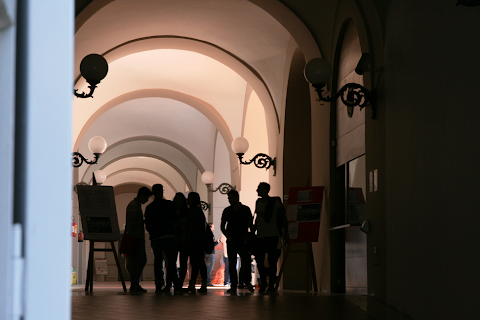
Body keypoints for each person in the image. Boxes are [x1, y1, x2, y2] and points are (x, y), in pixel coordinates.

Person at [252, 182, 289, 293]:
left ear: (265, 190)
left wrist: (285, 232)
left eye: (259, 188)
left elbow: (283, 217)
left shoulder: (275, 202)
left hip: (272, 235)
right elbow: (258, 217)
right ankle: (264, 282)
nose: (257, 190)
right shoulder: (258, 202)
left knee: (272, 261)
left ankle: (271, 284)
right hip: (261, 236)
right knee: (259, 260)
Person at [144, 184, 179, 293]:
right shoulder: (169, 204)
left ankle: (159, 283)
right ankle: (170, 284)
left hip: (156, 238)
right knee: (171, 262)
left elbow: (148, 224)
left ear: (153, 193)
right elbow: (175, 220)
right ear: (162, 192)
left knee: (158, 261)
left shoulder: (149, 207)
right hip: (169, 237)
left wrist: (153, 233)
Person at [221, 189, 255, 294]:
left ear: (236, 197)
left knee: (243, 262)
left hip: (240, 239)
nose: (229, 200)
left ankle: (243, 282)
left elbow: (223, 226)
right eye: (229, 198)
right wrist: (228, 236)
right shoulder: (243, 209)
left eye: (230, 197)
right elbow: (222, 226)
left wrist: (228, 235)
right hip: (235, 239)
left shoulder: (234, 210)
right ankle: (237, 284)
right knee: (235, 263)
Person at [125, 186, 152, 293]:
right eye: (147, 197)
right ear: (142, 195)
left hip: (135, 237)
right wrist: (144, 222)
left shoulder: (135, 205)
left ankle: (135, 283)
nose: (147, 200)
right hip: (135, 238)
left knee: (137, 261)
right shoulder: (134, 206)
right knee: (138, 261)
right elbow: (133, 223)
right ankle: (135, 284)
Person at [186, 192, 208, 293]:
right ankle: (201, 284)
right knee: (199, 263)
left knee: (196, 263)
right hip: (199, 240)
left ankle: (194, 284)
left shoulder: (193, 211)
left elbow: (191, 226)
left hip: (195, 240)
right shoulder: (199, 211)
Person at [173, 192, 190, 291]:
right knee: (172, 263)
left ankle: (180, 283)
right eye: (177, 199)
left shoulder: (186, 212)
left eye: (180, 200)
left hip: (184, 240)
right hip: (175, 239)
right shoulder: (172, 212)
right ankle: (176, 283)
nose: (179, 202)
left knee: (183, 263)